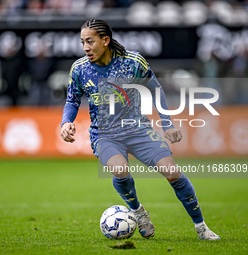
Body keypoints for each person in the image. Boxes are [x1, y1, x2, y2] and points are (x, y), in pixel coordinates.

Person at [60, 18, 220, 241]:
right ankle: (138, 212)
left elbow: (155, 90)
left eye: (90, 41)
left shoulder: (133, 62)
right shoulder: (80, 69)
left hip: (138, 129)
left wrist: (167, 124)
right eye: (82, 42)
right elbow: (72, 100)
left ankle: (201, 227)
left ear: (105, 40)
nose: (86, 47)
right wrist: (66, 122)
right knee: (119, 169)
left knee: (172, 172)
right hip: (104, 134)